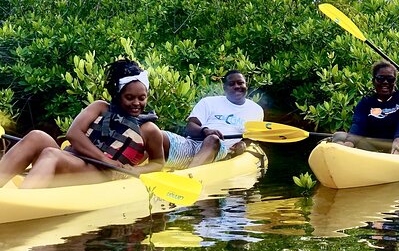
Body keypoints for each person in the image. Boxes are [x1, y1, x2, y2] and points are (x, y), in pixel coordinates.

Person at [0, 59, 164, 189]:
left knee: (51, 154)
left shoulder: (149, 130)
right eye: (129, 98)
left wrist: (135, 170)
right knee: (36, 136)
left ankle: (25, 201)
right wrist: (103, 158)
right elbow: (73, 133)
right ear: (118, 95)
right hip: (74, 159)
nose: (136, 103)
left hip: (100, 173)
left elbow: (158, 163)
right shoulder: (99, 107)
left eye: (141, 98)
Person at [162, 70, 264, 169]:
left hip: (221, 149)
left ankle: (189, 175)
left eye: (240, 83)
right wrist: (206, 131)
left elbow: (251, 137)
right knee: (158, 134)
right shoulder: (208, 102)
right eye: (231, 84)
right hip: (192, 145)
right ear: (224, 88)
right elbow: (190, 127)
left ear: (246, 85)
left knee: (213, 139)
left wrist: (243, 144)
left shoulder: (256, 110)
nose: (237, 86)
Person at [331, 60, 399, 154]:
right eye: (380, 78)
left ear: (395, 81)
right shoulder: (365, 102)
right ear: (373, 81)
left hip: (398, 143)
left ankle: (395, 159)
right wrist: (349, 143)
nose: (385, 82)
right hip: (372, 148)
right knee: (339, 136)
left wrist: (398, 138)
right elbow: (358, 124)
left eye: (390, 79)